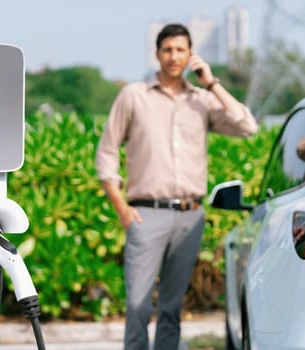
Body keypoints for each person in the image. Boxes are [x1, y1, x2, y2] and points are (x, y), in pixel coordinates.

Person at [95, 23, 258, 350]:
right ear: (157, 54)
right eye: (167, 50)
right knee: (139, 306)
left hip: (190, 217)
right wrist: (122, 209)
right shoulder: (134, 96)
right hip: (145, 215)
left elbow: (247, 126)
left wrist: (211, 83)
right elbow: (107, 152)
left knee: (171, 309)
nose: (173, 56)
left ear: (190, 54)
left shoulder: (202, 101)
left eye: (180, 50)